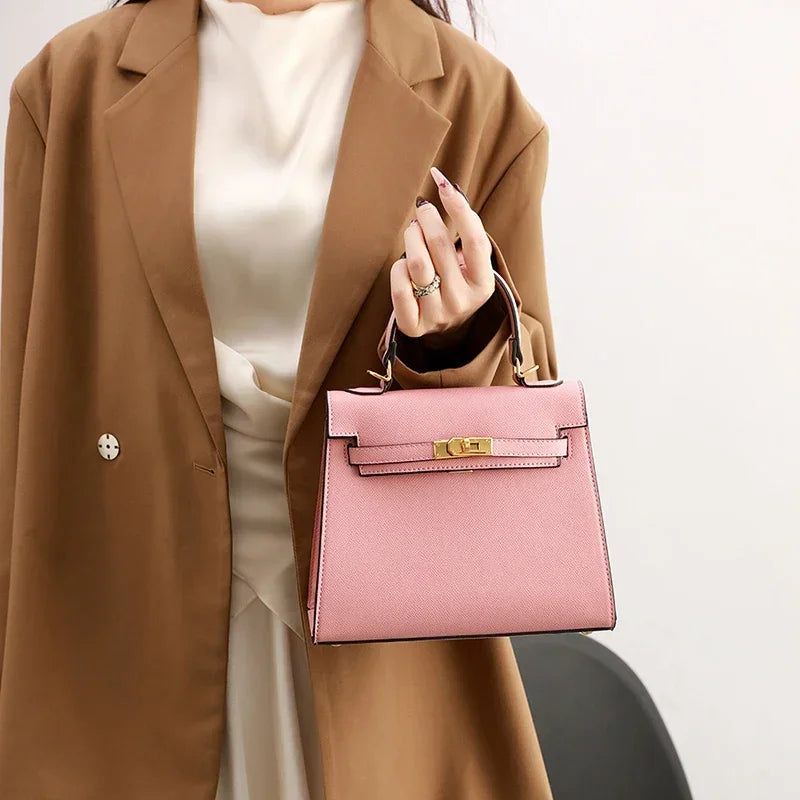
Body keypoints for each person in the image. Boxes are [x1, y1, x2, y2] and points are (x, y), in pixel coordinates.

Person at [0, 0, 559, 797]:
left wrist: (453, 342)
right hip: (126, 610)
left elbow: (522, 417)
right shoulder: (67, 86)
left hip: (376, 641)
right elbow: (27, 412)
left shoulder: (477, 99)